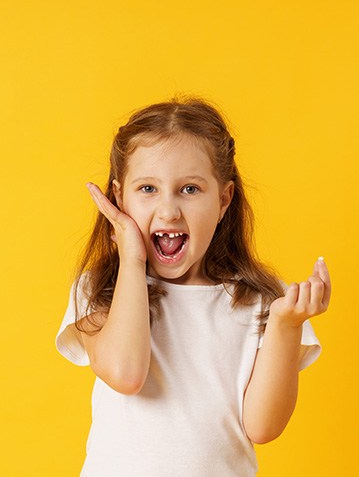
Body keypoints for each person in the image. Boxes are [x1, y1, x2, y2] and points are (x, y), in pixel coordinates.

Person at [55, 95, 332, 476]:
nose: (168, 210)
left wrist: (286, 324)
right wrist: (132, 261)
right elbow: (125, 373)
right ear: (119, 198)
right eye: (148, 189)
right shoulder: (100, 288)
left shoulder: (258, 300)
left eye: (189, 189)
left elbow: (263, 427)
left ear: (223, 200)